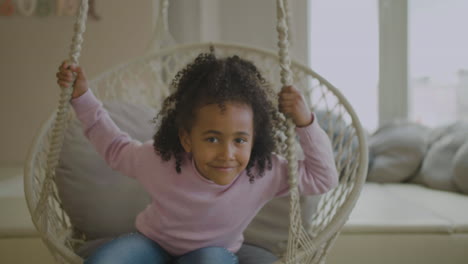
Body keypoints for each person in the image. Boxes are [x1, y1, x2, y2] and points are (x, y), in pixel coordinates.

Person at [56, 51, 338, 264]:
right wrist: (82, 98)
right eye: (212, 139)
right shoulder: (160, 161)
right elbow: (115, 148)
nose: (227, 154)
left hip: (213, 253)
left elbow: (323, 178)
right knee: (106, 260)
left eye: (240, 140)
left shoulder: (262, 172)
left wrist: (306, 123)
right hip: (151, 245)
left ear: (254, 139)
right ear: (186, 138)